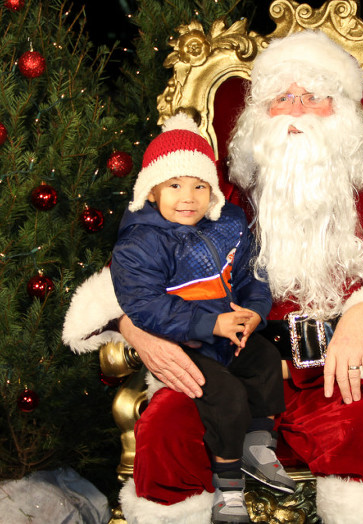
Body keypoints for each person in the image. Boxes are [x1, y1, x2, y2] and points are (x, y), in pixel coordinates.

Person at [63, 30, 363, 523]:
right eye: (281, 98)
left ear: (343, 109)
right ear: (260, 113)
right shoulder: (223, 187)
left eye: (313, 96)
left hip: (336, 371)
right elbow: (129, 266)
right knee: (166, 426)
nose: (295, 110)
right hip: (222, 362)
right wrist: (135, 330)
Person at [109, 114, 295, 523]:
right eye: (174, 186)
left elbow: (252, 276)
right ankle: (228, 485)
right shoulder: (141, 241)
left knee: (264, 360)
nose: (187, 197)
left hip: (229, 333)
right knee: (226, 395)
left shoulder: (228, 224)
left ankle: (258, 444)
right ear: (152, 190)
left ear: (212, 191)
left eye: (199, 186)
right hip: (187, 341)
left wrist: (253, 312)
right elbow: (145, 307)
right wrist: (210, 325)